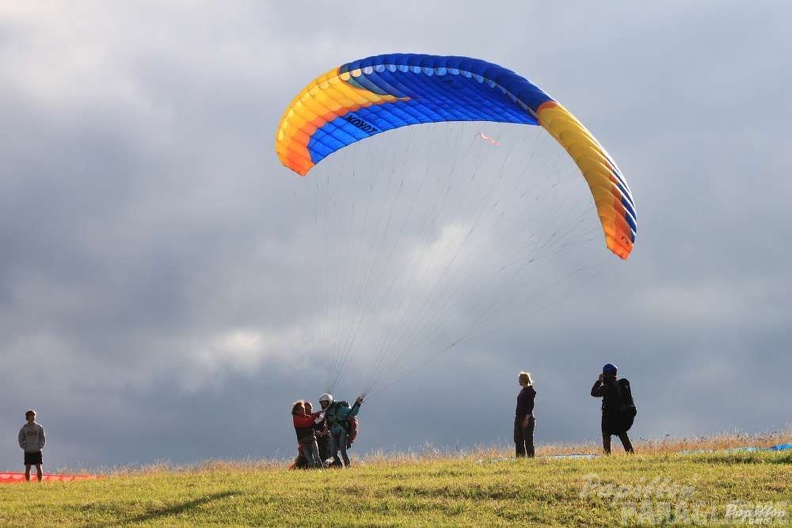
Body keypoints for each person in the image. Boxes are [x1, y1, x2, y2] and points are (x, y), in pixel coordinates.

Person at [591, 363, 635, 454]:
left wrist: (599, 381)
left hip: (609, 418)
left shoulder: (605, 388)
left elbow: (593, 393)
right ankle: (631, 454)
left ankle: (607, 456)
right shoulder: (621, 385)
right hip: (620, 417)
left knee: (606, 436)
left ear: (605, 374)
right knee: (623, 435)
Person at [320, 393, 363, 468]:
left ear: (329, 402)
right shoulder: (327, 412)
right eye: (322, 403)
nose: (323, 405)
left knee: (343, 452)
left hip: (343, 432)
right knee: (333, 452)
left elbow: (352, 413)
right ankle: (339, 466)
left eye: (325, 403)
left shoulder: (339, 408)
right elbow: (328, 425)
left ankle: (348, 466)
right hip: (333, 432)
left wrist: (358, 404)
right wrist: (322, 433)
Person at [291, 400, 325, 468]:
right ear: (297, 411)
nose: (304, 410)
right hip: (304, 444)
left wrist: (322, 418)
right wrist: (316, 415)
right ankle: (317, 472)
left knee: (316, 457)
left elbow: (316, 425)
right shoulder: (296, 419)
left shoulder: (306, 417)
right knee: (311, 460)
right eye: (302, 409)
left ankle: (321, 470)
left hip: (312, 441)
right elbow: (307, 422)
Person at [18, 409, 46, 482]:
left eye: (34, 416)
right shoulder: (24, 428)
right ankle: (28, 482)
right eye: (31, 416)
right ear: (28, 417)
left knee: (39, 467)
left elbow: (42, 437)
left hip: (37, 450)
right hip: (28, 451)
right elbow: (20, 438)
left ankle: (40, 482)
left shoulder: (39, 427)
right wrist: (25, 446)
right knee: (28, 468)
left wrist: (40, 446)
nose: (33, 417)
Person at [514, 371, 536, 458]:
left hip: (526, 417)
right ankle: (520, 458)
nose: (518, 381)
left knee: (528, 439)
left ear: (523, 380)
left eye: (519, 379)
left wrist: (527, 418)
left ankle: (531, 458)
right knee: (518, 439)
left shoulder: (530, 391)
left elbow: (531, 406)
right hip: (519, 417)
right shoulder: (522, 391)